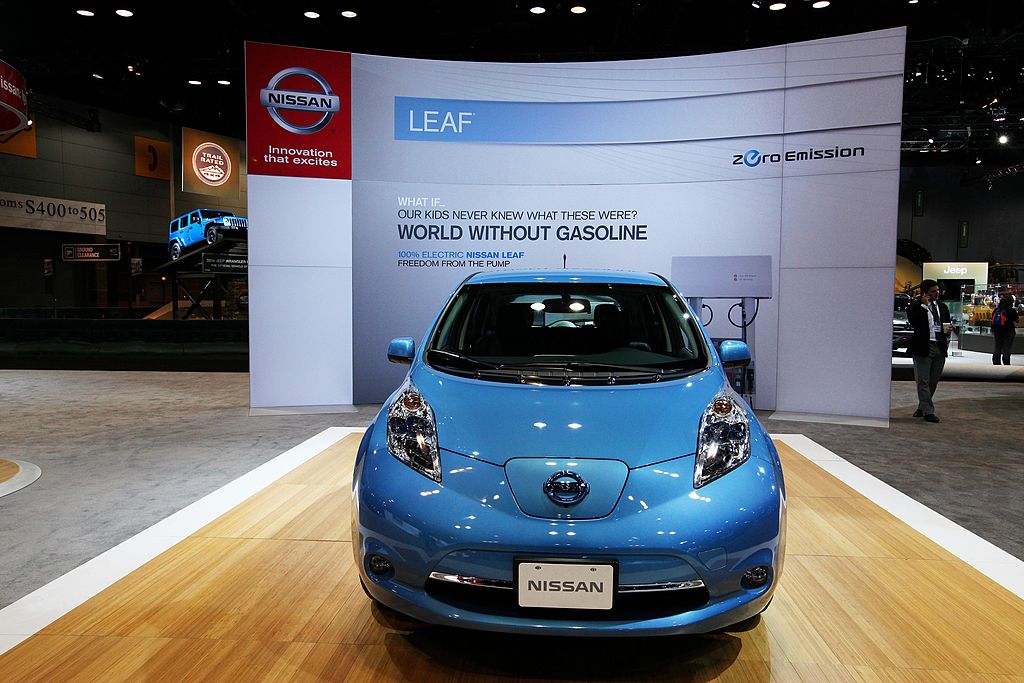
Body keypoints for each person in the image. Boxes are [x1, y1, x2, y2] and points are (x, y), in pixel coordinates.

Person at [906, 280, 950, 423]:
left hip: (940, 346)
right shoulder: (916, 306)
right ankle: (928, 412)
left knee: (933, 381)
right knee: (923, 381)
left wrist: (948, 331)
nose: (936, 293)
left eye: (937, 290)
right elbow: (914, 321)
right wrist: (924, 305)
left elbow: (946, 323)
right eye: (933, 291)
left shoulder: (943, 307)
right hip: (923, 347)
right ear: (925, 293)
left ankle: (922, 407)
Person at [991, 293, 1020, 365]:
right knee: (1006, 348)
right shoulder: (1011, 310)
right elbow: (1017, 320)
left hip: (997, 331)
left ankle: (996, 362)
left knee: (997, 347)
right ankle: (1006, 362)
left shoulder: (996, 310)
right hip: (1008, 331)